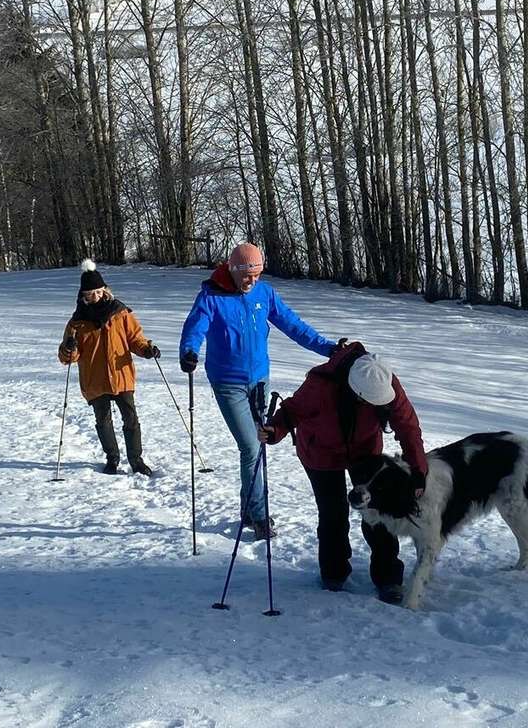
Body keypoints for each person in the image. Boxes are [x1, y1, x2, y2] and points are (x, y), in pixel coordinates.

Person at [178, 242, 340, 538]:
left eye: (256, 274)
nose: (251, 281)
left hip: (260, 380)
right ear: (232, 269)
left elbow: (294, 325)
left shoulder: (264, 294)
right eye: (246, 275)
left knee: (259, 445)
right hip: (228, 383)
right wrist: (189, 351)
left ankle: (248, 510)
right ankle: (260, 515)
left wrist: (329, 349)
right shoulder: (211, 297)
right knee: (251, 446)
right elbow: (194, 329)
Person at [260, 343, 427, 604]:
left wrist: (418, 469)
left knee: (377, 510)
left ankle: (388, 578)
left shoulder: (383, 379)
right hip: (320, 452)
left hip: (364, 452)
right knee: (333, 512)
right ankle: (333, 573)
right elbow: (292, 411)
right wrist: (274, 430)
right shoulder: (321, 383)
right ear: (356, 392)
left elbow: (408, 427)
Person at [58, 259, 161, 476]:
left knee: (131, 419)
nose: (94, 297)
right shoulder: (77, 322)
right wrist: (69, 348)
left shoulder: (120, 313)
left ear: (105, 290)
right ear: (82, 296)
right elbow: (69, 358)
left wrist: (146, 350)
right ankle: (112, 458)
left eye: (97, 291)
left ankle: (136, 460)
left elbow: (135, 339)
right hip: (95, 380)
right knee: (103, 421)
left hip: (121, 375)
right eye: (89, 294)